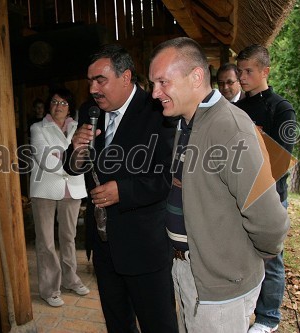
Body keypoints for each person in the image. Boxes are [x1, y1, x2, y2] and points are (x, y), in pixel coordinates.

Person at [148, 37, 290, 333]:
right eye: (153, 84)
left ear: (196, 76)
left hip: (221, 288)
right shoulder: (184, 123)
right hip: (189, 271)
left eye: (162, 82)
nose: (155, 93)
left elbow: (271, 222)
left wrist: (238, 264)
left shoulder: (230, 128)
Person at [64, 44, 177, 333]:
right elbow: (72, 165)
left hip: (143, 244)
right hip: (103, 243)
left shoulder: (157, 111)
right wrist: (76, 151)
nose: (93, 88)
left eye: (100, 80)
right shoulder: (90, 111)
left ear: (125, 77)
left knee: (158, 324)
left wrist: (123, 192)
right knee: (117, 323)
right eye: (90, 81)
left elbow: (167, 176)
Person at [236, 44, 296, 333]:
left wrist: (257, 140)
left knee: (271, 260)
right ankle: (245, 309)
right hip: (237, 198)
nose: (242, 76)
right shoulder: (236, 109)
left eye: (248, 71)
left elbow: (281, 160)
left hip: (271, 198)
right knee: (242, 255)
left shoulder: (282, 108)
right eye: (240, 71)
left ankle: (268, 318)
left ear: (265, 71)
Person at [29, 88, 89, 307]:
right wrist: (69, 160)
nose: (58, 107)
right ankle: (49, 289)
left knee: (68, 238)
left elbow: (85, 156)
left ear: (70, 107)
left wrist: (62, 157)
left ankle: (70, 279)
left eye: (63, 103)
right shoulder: (38, 128)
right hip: (45, 190)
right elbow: (44, 158)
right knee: (46, 241)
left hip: (72, 188)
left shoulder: (78, 128)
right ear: (48, 105)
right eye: (54, 102)